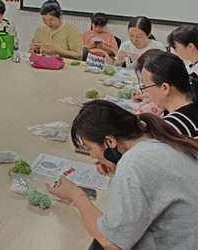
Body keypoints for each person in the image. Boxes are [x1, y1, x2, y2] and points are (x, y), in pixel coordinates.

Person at [47, 100, 198, 250]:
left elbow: (111, 243)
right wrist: (119, 173)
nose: (92, 155)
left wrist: (76, 194)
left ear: (110, 141)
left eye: (90, 148)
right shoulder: (155, 138)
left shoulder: (134, 162)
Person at [136, 51, 198, 138]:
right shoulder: (193, 101)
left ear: (165, 88)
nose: (146, 91)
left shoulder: (172, 127)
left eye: (146, 87)